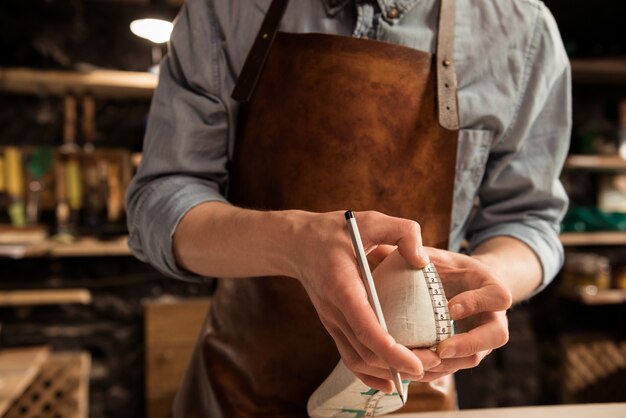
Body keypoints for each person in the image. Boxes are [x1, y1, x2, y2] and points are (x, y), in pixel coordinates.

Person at [126, 0, 571, 416]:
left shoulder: (521, 27)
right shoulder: (228, 8)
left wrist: (489, 279)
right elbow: (160, 201)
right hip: (239, 390)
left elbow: (529, 220)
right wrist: (293, 243)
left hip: (412, 394)